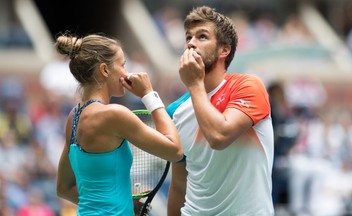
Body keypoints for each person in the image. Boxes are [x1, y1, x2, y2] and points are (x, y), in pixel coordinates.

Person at [54, 33, 183, 216]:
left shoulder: (73, 117)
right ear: (105, 70)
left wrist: (126, 203)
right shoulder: (114, 114)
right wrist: (149, 94)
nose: (127, 72)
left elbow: (64, 188)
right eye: (122, 65)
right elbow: (174, 150)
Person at [166, 6, 274, 215]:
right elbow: (179, 185)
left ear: (224, 50)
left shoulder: (248, 87)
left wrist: (195, 85)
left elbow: (219, 136)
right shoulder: (176, 110)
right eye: (188, 37)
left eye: (202, 36)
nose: (191, 43)